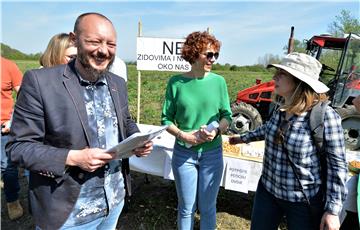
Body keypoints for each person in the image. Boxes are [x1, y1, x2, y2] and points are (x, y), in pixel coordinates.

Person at [6, 12, 153, 229]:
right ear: (74, 40)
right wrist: (73, 157)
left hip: (112, 201)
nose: (104, 50)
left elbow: (125, 119)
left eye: (111, 44)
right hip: (68, 213)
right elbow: (18, 147)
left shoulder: (117, 83)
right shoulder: (40, 82)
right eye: (94, 42)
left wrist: (136, 138)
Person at [229, 52, 348, 230]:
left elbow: (337, 166)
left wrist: (332, 211)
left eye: (282, 74)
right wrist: (241, 138)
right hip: (268, 191)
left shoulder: (325, 117)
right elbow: (268, 129)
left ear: (299, 81)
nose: (274, 77)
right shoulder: (282, 107)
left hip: (303, 200)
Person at [161, 31, 232, 230]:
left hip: (212, 154)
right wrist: (184, 135)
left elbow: (227, 116)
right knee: (186, 208)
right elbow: (165, 119)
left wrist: (217, 131)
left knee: (208, 207)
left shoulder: (219, 82)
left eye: (215, 55)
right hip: (184, 153)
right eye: (209, 54)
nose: (213, 59)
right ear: (193, 54)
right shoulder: (176, 83)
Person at [1, 56, 23, 220]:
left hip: (3, 126)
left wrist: (13, 119)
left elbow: (24, 96)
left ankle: (12, 200)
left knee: (7, 166)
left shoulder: (8, 66)